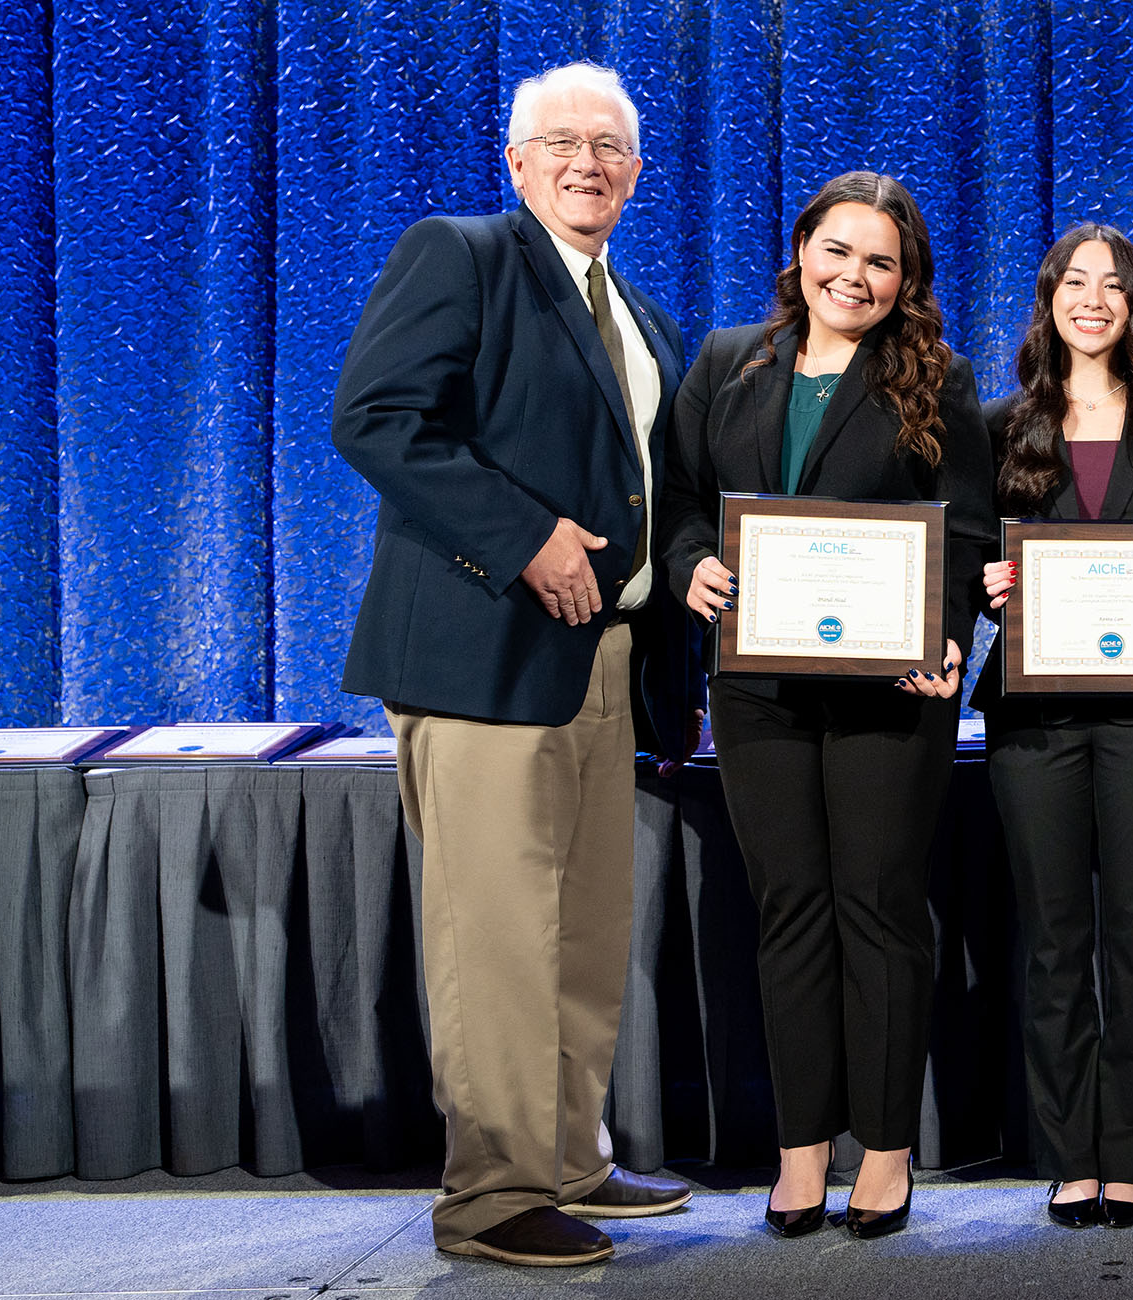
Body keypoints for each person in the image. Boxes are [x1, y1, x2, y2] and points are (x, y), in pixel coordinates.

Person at [332, 61, 697, 1267]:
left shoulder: (639, 315)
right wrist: (524, 537)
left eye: (612, 146)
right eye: (563, 142)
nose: (589, 161)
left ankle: (568, 1158)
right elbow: (378, 418)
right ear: (517, 161)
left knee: (583, 932)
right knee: (496, 934)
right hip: (482, 656)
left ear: (639, 172)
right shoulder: (464, 252)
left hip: (601, 663)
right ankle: (491, 1197)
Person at [660, 171, 993, 1242]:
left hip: (889, 690)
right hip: (757, 688)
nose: (855, 275)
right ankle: (804, 1146)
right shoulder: (726, 362)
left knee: (879, 908)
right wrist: (690, 567)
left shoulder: (937, 378)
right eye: (838, 251)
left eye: (881, 261)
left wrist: (945, 632)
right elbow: (674, 502)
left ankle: (885, 1149)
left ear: (906, 282)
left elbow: (972, 528)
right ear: (801, 251)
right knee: (792, 907)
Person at [973, 224, 1133, 1231]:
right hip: (1032, 719)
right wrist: (982, 587)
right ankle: (1070, 1150)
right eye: (1073, 281)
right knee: (1050, 938)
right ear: (1048, 299)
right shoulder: (998, 424)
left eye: (1111, 284)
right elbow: (958, 554)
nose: (1091, 297)